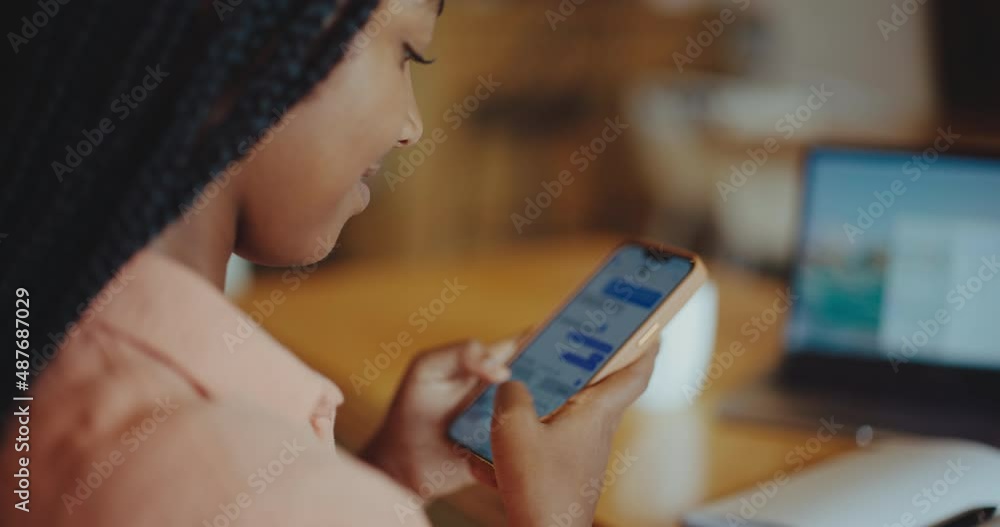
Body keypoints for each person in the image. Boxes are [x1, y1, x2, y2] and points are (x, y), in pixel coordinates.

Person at [0, 0, 658, 525]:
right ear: (256, 43)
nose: (411, 125)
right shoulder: (275, 498)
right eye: (408, 52)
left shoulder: (45, 322)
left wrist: (386, 475)